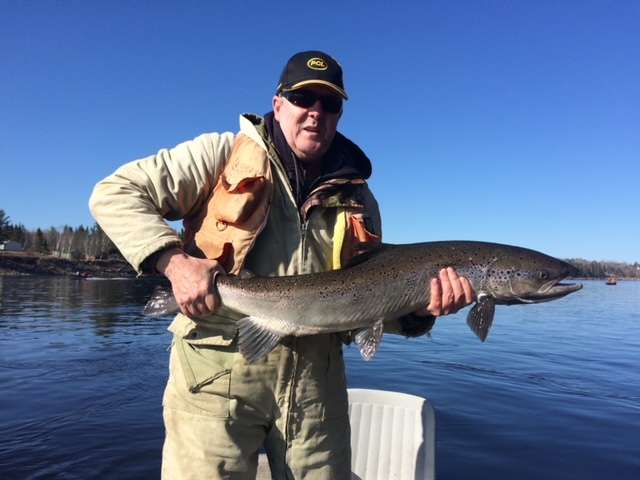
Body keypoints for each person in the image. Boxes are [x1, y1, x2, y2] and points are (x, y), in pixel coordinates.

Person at [90, 50, 474, 480]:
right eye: (303, 98)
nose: (316, 113)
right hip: (216, 380)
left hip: (317, 392)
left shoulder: (359, 200)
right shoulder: (219, 155)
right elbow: (114, 193)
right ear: (278, 104)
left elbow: (373, 301)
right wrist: (174, 263)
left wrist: (421, 311)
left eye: (330, 104)